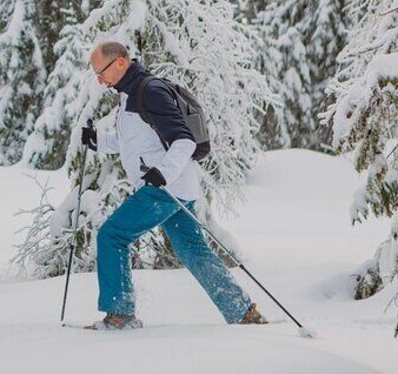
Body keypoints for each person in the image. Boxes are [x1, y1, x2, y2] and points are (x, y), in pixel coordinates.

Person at [81, 41, 267, 330]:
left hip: (164, 189)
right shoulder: (130, 95)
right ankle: (243, 312)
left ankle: (120, 315)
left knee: (112, 235)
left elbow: (184, 140)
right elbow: (135, 142)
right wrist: (99, 141)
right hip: (176, 188)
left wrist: (163, 174)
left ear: (119, 62)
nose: (99, 79)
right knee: (193, 251)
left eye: (100, 72)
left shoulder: (150, 91)